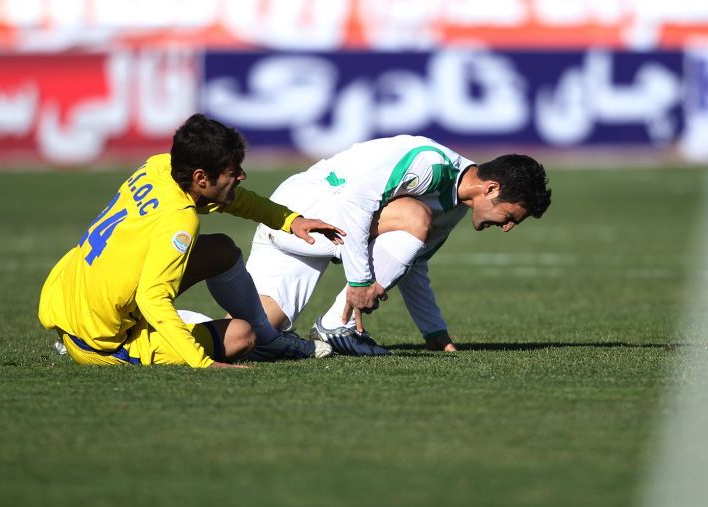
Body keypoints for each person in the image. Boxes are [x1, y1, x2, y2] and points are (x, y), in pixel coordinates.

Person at [38, 113, 346, 368]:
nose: (241, 176)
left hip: (70, 300)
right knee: (241, 336)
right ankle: (260, 340)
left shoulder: (159, 166)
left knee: (221, 250)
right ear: (201, 178)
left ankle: (269, 338)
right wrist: (201, 362)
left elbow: (233, 200)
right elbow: (152, 298)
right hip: (102, 344)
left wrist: (290, 220)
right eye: (232, 171)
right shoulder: (180, 221)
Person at [245, 135, 551, 355]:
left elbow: (412, 260)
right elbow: (354, 204)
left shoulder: (455, 207)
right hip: (301, 207)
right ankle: (337, 325)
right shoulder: (430, 164)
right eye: (511, 216)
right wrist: (360, 281)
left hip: (298, 232)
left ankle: (210, 334)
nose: (508, 227)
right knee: (415, 216)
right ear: (492, 188)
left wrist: (435, 332)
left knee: (247, 337)